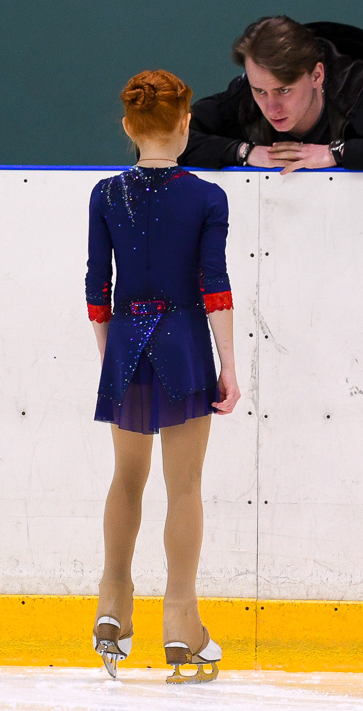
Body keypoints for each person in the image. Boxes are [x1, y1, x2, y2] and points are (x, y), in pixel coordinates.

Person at [85, 69, 240, 684]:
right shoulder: (207, 197)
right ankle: (181, 621)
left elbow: (98, 288)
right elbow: (214, 288)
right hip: (182, 346)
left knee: (126, 478)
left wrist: (111, 353)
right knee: (184, 486)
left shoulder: (104, 193)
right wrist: (229, 365)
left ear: (128, 126)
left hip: (125, 340)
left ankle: (112, 604)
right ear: (186, 124)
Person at [179, 16, 363, 174]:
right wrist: (244, 152)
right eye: (260, 91)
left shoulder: (359, 88)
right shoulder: (242, 98)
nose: (271, 106)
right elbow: (161, 141)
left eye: (284, 90)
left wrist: (338, 153)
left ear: (317, 75)